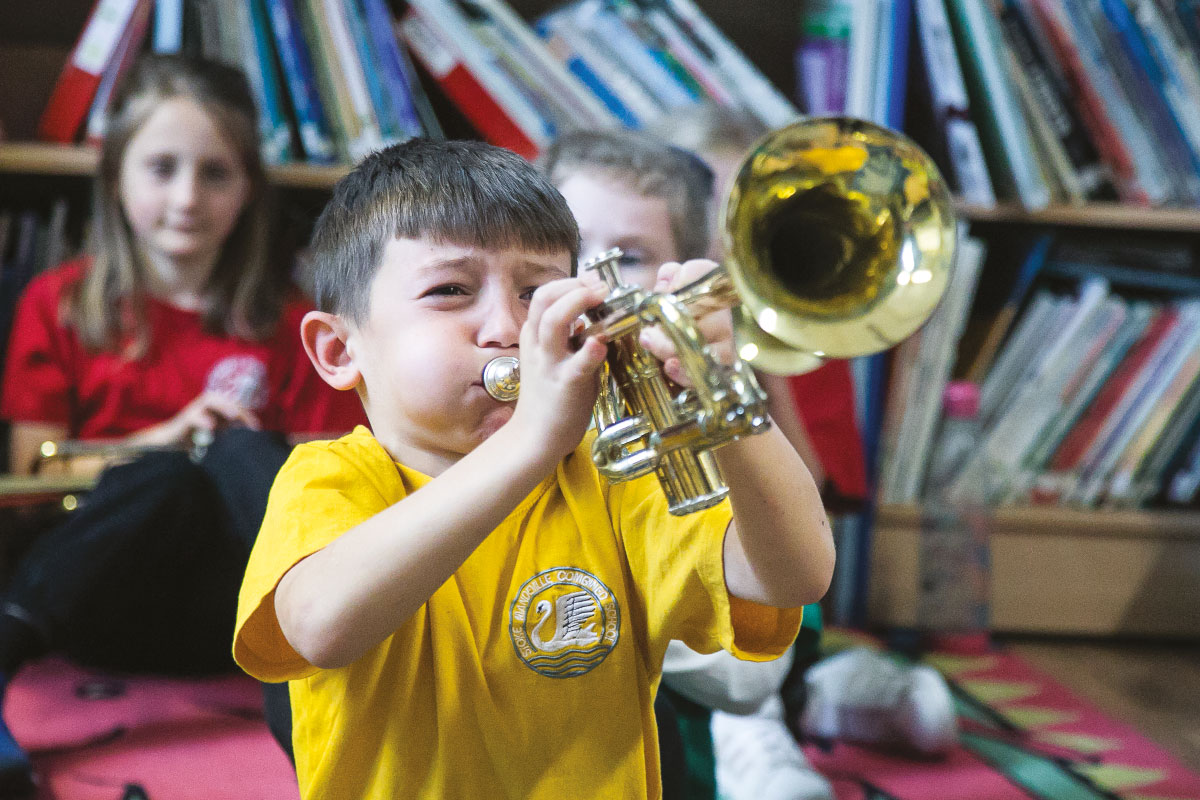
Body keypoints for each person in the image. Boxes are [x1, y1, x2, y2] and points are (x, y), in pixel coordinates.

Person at [232, 137, 834, 800]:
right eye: (450, 290)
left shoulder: (613, 484)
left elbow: (796, 573)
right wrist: (528, 445)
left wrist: (723, 388)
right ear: (339, 350)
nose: (507, 326)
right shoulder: (329, 480)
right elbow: (320, 625)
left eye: (538, 293)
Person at [0, 54, 364, 795]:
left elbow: (341, 477)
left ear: (248, 190)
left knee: (241, 451)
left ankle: (330, 726)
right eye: (160, 168)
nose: (186, 197)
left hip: (242, 614)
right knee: (168, 476)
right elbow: (31, 480)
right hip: (96, 601)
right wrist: (166, 438)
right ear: (116, 178)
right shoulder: (60, 302)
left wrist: (232, 450)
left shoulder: (299, 320)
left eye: (215, 174)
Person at [649, 103, 957, 768]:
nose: (725, 249)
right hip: (669, 597)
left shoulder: (792, 339)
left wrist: (753, 361)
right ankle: (793, 708)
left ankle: (807, 697)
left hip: (773, 591)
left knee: (775, 600)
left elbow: (811, 495)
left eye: (739, 225)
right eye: (706, 224)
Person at [541, 127, 835, 800]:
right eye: (571, 247)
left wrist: (720, 367)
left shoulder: (683, 405)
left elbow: (743, 677)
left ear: (676, 275)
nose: (594, 278)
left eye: (629, 257)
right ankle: (820, 702)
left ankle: (784, 720)